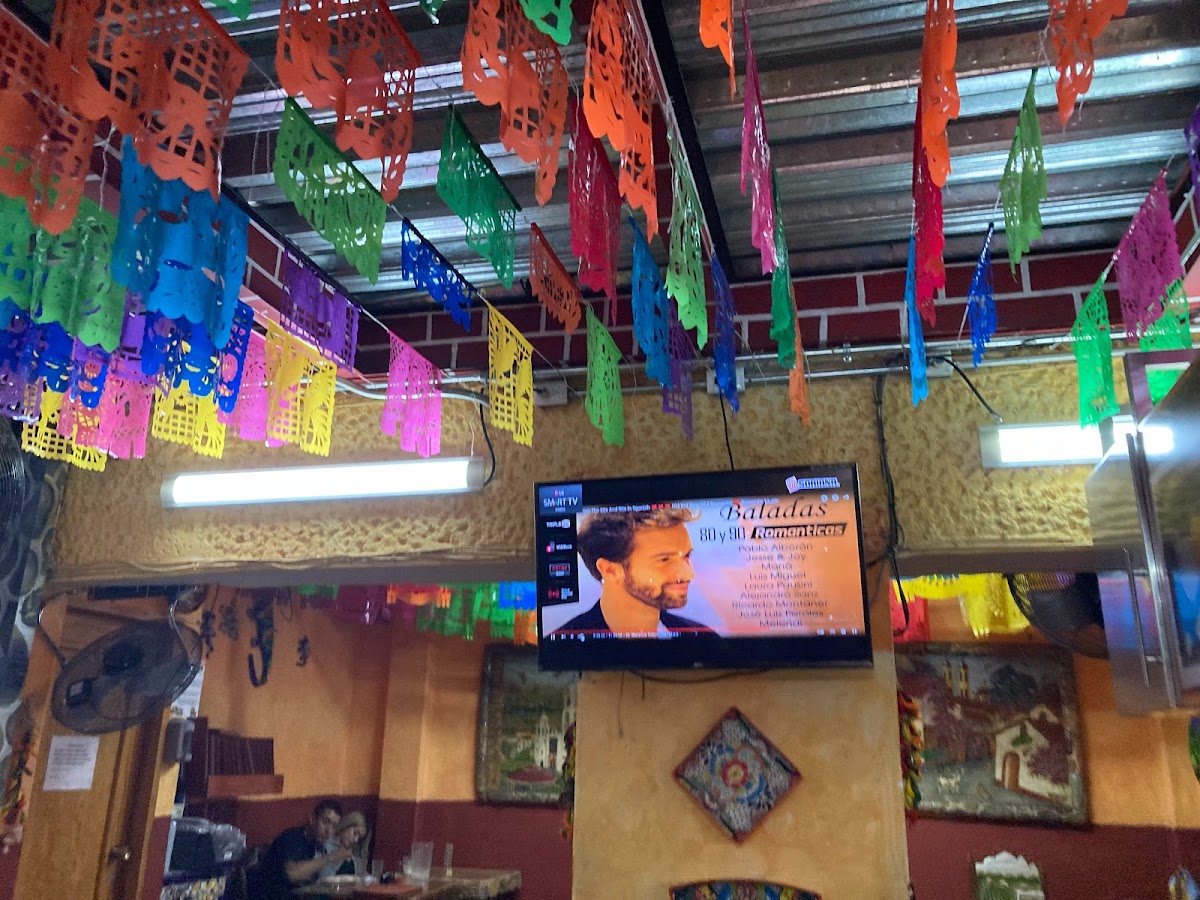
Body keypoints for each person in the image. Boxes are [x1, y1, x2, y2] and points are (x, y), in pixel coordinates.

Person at [552, 508, 715, 637]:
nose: (688, 574)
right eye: (664, 559)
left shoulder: (704, 640)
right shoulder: (564, 648)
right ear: (610, 570)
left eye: (686, 556)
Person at [252, 799, 351, 899]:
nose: (328, 831)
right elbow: (292, 874)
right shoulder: (292, 837)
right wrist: (329, 857)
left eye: (334, 826)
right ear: (313, 819)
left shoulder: (316, 845)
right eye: (325, 822)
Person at [318, 811, 369, 879]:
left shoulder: (352, 852)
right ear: (346, 826)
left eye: (359, 837)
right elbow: (321, 878)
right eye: (355, 833)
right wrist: (337, 859)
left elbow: (361, 874)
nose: (356, 840)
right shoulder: (326, 844)